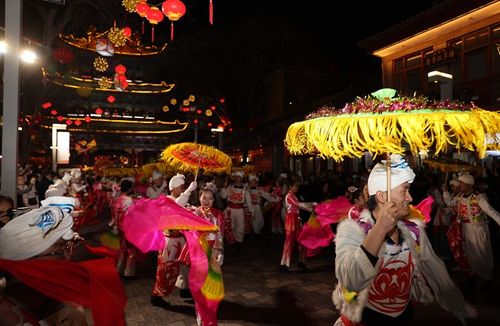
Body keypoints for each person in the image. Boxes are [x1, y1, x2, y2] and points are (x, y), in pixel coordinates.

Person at [332, 154, 476, 326]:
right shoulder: (353, 231)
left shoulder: (413, 232)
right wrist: (380, 230)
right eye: (404, 190)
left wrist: (456, 304)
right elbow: (350, 280)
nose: (410, 198)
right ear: (382, 197)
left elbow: (437, 272)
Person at [151, 173, 197, 307]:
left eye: (183, 187)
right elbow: (177, 205)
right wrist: (189, 191)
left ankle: (184, 289)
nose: (183, 189)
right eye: (181, 187)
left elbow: (184, 208)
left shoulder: (180, 200)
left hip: (181, 238)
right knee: (166, 269)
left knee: (185, 266)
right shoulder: (166, 200)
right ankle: (156, 296)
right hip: (169, 241)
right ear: (174, 188)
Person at [447, 173, 500, 284]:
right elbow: (449, 203)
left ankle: (486, 276)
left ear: (468, 184)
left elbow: (490, 211)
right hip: (465, 228)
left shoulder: (479, 197)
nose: (459, 185)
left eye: (461, 183)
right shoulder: (459, 196)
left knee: (482, 251)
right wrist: (445, 192)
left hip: (479, 228)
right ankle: (476, 274)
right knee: (471, 253)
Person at [192, 182, 225, 325]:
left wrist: (220, 252)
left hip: (214, 252)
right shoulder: (194, 213)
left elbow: (220, 234)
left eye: (210, 198)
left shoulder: (218, 214)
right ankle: (200, 313)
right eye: (204, 197)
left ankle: (210, 311)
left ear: (214, 199)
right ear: (199, 198)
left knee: (212, 285)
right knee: (200, 286)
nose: (206, 201)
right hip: (199, 252)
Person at [279, 180, 314, 273]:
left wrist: (312, 204)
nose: (296, 188)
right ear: (290, 186)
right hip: (291, 220)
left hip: (296, 220)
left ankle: (301, 261)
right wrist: (310, 207)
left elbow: (300, 204)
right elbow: (297, 205)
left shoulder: (293, 196)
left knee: (302, 241)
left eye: (297, 186)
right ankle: (284, 264)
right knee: (289, 243)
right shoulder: (289, 196)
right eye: (295, 186)